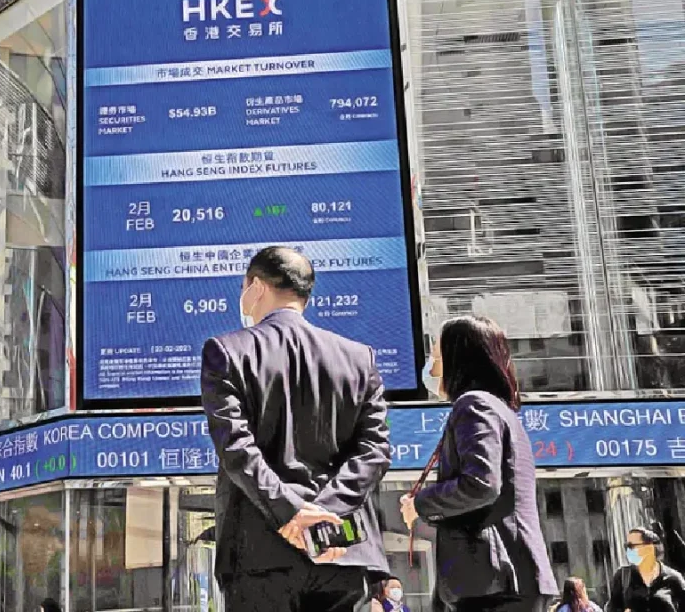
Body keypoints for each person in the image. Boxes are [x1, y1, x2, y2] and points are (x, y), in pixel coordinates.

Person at [201, 246, 391, 612]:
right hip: (341, 548)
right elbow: (374, 451)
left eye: (243, 286)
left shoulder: (226, 352)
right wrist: (323, 513)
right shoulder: (358, 357)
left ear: (256, 287)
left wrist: (294, 514)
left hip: (259, 550)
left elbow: (237, 450)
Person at [399, 316, 557, 612]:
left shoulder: (474, 405)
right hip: (503, 579)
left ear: (459, 361)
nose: (431, 369)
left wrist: (420, 504)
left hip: (495, 581)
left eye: (437, 358)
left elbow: (481, 484)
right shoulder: (498, 408)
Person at [606, 528, 685, 612]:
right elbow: (612, 608)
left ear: (649, 548)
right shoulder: (622, 576)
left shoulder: (674, 578)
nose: (628, 551)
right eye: (626, 546)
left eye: (631, 546)